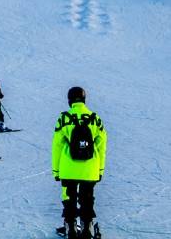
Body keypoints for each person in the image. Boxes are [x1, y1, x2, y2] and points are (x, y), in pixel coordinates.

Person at [52, 87, 107, 238]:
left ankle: (70, 227)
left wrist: (56, 171)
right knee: (87, 198)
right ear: (84, 99)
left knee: (69, 198)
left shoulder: (63, 118)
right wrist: (100, 170)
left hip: (68, 169)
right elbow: (102, 146)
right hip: (90, 169)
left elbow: (57, 146)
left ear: (69, 100)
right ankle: (87, 227)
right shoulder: (95, 118)